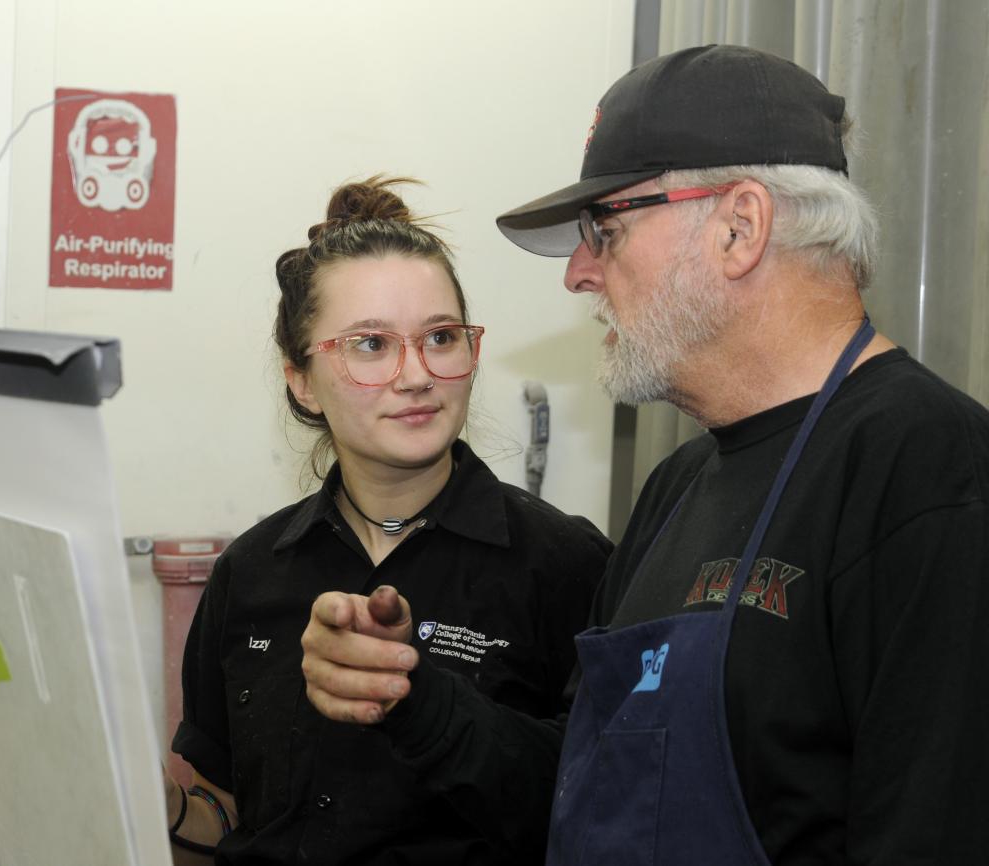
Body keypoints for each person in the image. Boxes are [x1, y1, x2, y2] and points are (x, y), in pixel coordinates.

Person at [300, 46, 989, 864]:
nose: (581, 274)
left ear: (740, 226)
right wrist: (411, 695)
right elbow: (589, 790)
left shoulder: (930, 469)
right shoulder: (679, 486)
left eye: (607, 229)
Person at [167, 176, 611, 865]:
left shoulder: (565, 565)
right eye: (370, 345)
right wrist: (165, 811)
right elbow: (227, 815)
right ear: (301, 380)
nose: (415, 375)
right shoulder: (251, 572)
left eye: (440, 337)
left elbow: (602, 810)